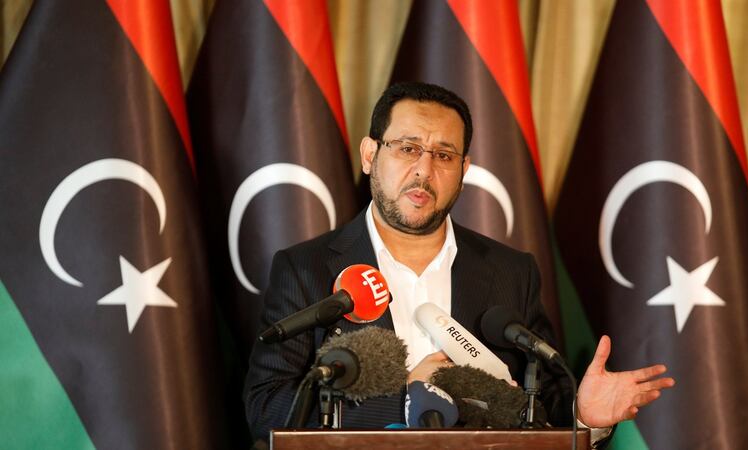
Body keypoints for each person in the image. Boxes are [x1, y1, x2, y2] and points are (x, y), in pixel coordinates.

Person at [243, 81, 674, 439]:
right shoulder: (306, 269)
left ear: (464, 169)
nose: (424, 170)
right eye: (408, 148)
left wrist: (583, 415)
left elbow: (542, 408)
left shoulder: (511, 272)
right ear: (370, 155)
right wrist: (407, 399)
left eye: (444, 155)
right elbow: (267, 407)